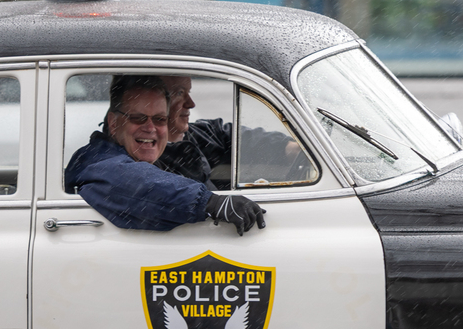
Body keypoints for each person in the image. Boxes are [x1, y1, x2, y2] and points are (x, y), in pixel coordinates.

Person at [64, 75, 265, 234]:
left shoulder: (164, 152)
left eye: (160, 119)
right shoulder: (96, 160)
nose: (150, 128)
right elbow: (133, 183)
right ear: (114, 123)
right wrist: (212, 203)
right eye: (138, 118)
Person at [154, 74, 305, 186]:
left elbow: (232, 137)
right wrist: (214, 202)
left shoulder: (199, 136)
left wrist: (287, 148)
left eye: (189, 93)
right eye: (179, 93)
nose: (191, 104)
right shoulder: (146, 158)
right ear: (152, 101)